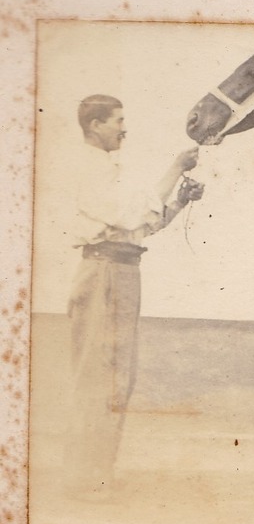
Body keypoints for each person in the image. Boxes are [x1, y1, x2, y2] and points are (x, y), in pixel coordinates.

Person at [63, 93, 204, 500]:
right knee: (98, 377)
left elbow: (141, 227)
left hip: (124, 270)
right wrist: (176, 167)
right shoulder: (86, 167)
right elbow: (127, 214)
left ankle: (98, 474)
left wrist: (178, 200)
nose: (124, 127)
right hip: (103, 273)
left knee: (119, 378)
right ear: (95, 125)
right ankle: (85, 479)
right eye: (117, 120)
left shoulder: (109, 169)